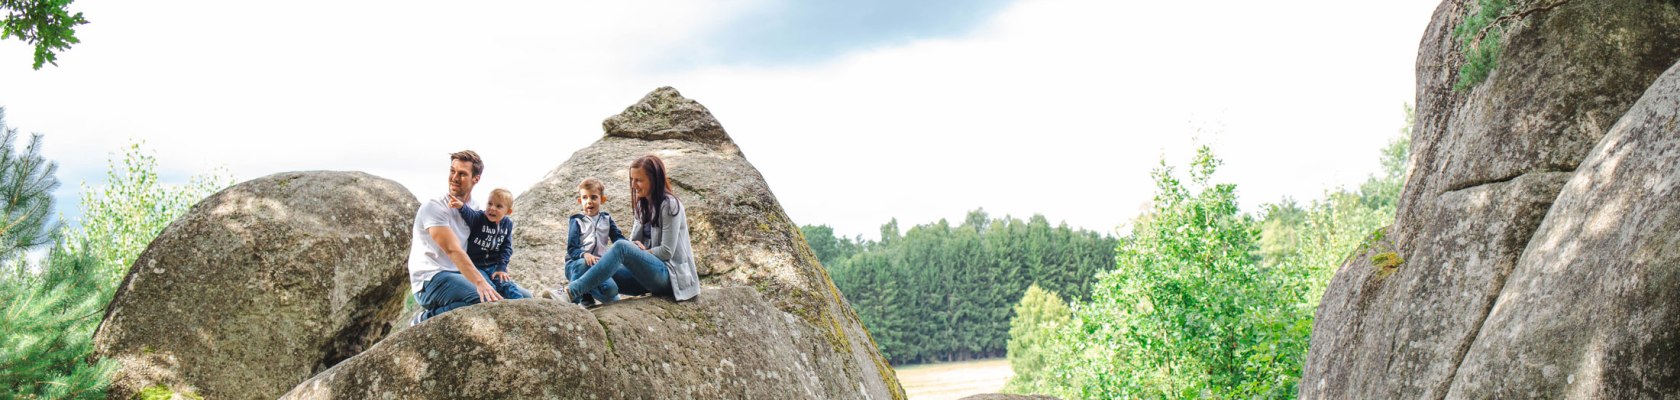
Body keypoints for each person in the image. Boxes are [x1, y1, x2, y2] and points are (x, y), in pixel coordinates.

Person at [554, 155, 700, 304]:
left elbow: (666, 251)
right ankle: (585, 300)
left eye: (639, 180)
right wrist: (633, 249)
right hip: (646, 278)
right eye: (632, 180)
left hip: (670, 276)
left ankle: (570, 292)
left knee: (621, 247)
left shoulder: (670, 205)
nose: (633, 185)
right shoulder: (641, 206)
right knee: (594, 264)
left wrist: (641, 252)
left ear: (654, 179)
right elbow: (632, 245)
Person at [408, 150, 503, 324]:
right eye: (452, 171)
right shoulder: (435, 206)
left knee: (520, 297)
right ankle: (425, 320)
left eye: (462, 174)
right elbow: (453, 250)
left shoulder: (475, 209)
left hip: (458, 276)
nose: (454, 177)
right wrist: (480, 282)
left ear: (476, 179)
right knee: (482, 298)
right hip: (430, 279)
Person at [448, 187, 530, 300]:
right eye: (490, 204)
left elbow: (506, 248)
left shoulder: (507, 224)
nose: (492, 208)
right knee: (489, 288)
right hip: (476, 266)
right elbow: (469, 214)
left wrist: (501, 267)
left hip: (494, 266)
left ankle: (521, 306)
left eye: (499, 206)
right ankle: (502, 306)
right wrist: (461, 206)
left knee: (507, 285)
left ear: (508, 212)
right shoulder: (479, 218)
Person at [564, 177, 627, 306]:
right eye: (585, 198)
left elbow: (618, 239)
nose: (589, 202)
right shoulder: (576, 221)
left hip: (598, 267)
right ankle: (573, 300)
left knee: (612, 290)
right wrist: (584, 254)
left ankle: (588, 293)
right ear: (579, 200)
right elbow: (572, 248)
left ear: (602, 199)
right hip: (576, 264)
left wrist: (632, 245)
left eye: (593, 197)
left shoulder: (606, 219)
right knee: (584, 264)